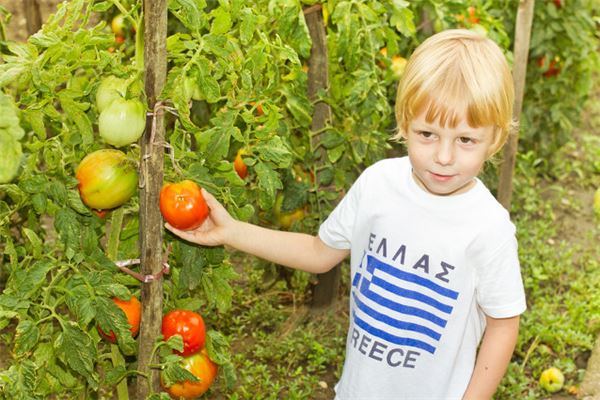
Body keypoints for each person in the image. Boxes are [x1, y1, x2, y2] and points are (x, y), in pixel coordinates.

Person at [167, 28, 527, 400]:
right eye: (427, 134)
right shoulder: (378, 185)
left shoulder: (487, 226)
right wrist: (232, 231)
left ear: (495, 139)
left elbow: (503, 324)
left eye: (465, 140)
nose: (444, 156)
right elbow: (319, 253)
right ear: (404, 123)